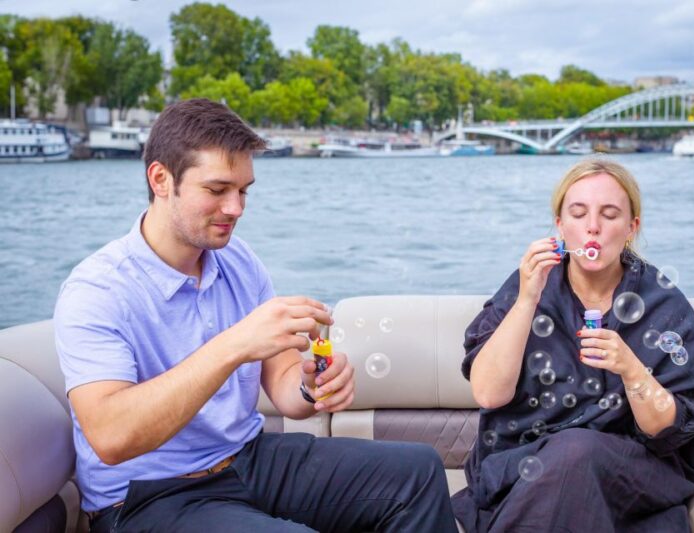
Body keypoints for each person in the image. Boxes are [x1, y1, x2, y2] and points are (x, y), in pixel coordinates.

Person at [54, 98, 457, 533]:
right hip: (143, 496)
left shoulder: (238, 260)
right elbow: (111, 439)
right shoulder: (97, 290)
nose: (236, 208)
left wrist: (309, 387)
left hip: (245, 460)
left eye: (243, 190)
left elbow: (284, 387)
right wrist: (233, 345)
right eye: (217, 190)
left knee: (416, 471)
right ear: (161, 179)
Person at [450, 158, 694, 532]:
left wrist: (631, 369)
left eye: (610, 214)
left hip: (628, 473)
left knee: (577, 451)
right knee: (569, 458)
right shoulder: (528, 285)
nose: (592, 227)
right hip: (524, 463)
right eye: (578, 213)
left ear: (631, 227)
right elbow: (488, 393)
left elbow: (668, 431)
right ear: (560, 225)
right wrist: (528, 299)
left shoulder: (662, 303)